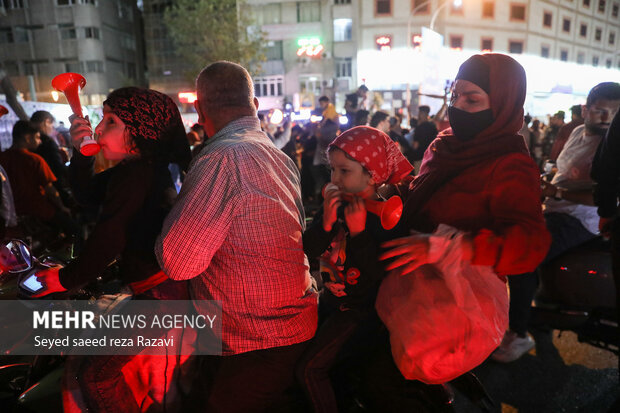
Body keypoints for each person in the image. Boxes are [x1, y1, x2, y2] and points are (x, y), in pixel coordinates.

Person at [372, 54, 550, 410]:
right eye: (455, 96)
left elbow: (531, 244)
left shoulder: (511, 165)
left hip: (454, 302)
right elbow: (421, 196)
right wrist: (380, 194)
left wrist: (455, 247)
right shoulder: (443, 145)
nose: (458, 107)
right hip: (403, 281)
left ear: (502, 104)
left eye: (472, 100)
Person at [155, 61, 318, 412]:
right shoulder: (278, 156)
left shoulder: (222, 159)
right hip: (288, 326)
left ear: (199, 110)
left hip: (256, 340)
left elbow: (178, 262)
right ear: (255, 105)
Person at [33, 87, 192, 412]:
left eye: (112, 121)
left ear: (141, 130)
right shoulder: (153, 167)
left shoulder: (138, 172)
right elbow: (90, 195)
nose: (100, 129)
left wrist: (61, 279)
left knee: (95, 377)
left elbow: (110, 235)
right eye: (102, 119)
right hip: (165, 292)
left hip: (159, 299)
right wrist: (82, 153)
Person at [492, 81, 620, 363]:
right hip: (554, 208)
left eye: (614, 114)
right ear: (585, 109)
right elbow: (562, 172)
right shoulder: (575, 132)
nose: (607, 119)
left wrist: (556, 191)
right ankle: (538, 312)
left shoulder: (612, 145)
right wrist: (546, 183)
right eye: (600, 111)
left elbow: (604, 194)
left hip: (580, 218)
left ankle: (518, 333)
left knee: (522, 258)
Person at [297, 126, 413, 413]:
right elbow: (307, 252)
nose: (334, 179)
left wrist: (360, 234)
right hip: (331, 302)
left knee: (310, 370)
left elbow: (377, 280)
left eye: (344, 171)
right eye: (332, 170)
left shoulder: (387, 220)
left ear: (372, 175)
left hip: (361, 314)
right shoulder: (335, 205)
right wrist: (325, 222)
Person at [0, 120, 78, 240]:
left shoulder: (2, 159)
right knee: (74, 229)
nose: (40, 141)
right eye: (37, 138)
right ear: (27, 138)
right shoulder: (35, 160)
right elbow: (51, 191)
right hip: (38, 210)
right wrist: (62, 207)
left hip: (9, 214)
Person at [411, 105, 439, 175]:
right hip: (431, 157)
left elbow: (415, 146)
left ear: (422, 114)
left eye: (419, 113)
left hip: (419, 158)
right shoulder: (433, 127)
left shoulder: (419, 128)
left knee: (418, 180)